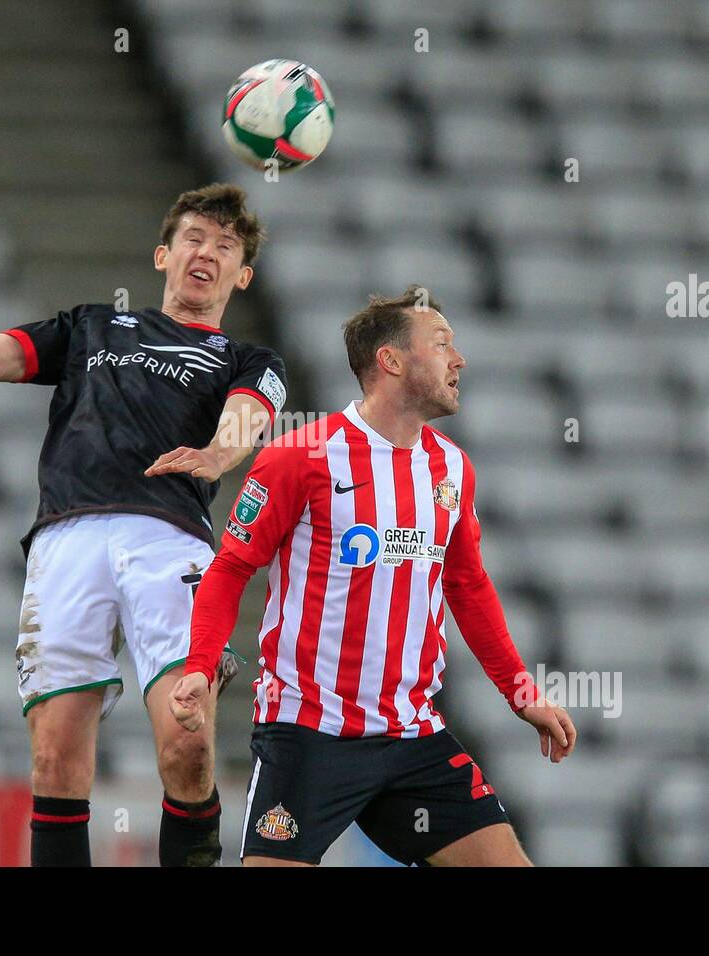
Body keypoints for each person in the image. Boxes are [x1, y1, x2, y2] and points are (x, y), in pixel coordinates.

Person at [0, 184, 288, 866]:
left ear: (241, 274)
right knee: (54, 758)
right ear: (164, 254)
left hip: (169, 539)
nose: (205, 253)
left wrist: (219, 453)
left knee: (188, 742)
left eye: (224, 246)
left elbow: (247, 415)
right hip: (66, 538)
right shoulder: (91, 326)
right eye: (193, 238)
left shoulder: (247, 360)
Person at [171, 284, 576, 866]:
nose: (458, 360)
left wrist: (520, 693)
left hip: (412, 733)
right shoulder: (300, 457)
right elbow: (231, 567)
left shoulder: (451, 467)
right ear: (391, 361)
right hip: (310, 732)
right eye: (441, 344)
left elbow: (468, 585)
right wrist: (200, 668)